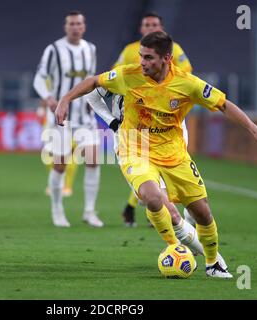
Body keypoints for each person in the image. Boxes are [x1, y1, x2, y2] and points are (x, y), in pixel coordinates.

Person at [55, 31, 257, 278]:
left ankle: (213, 263)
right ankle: (175, 246)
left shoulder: (187, 83)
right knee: (151, 196)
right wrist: (65, 100)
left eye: (148, 58)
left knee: (202, 213)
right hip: (135, 148)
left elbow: (223, 104)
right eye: (141, 56)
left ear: (166, 58)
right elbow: (94, 82)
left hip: (173, 153)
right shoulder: (129, 74)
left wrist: (254, 129)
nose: (143, 62)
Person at [105, 12, 195, 228]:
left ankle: (162, 212)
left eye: (155, 24)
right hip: (139, 121)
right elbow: (112, 76)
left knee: (167, 169)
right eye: (147, 24)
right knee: (146, 169)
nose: (151, 27)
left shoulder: (175, 49)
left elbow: (188, 76)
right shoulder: (130, 52)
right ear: (141, 28)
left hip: (168, 121)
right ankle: (166, 216)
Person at [33, 10, 103, 228]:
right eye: (71, 23)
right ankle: (57, 209)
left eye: (79, 23)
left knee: (93, 159)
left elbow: (91, 83)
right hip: (61, 117)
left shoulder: (90, 49)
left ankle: (90, 211)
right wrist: (48, 98)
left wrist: (96, 106)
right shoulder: (54, 50)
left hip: (85, 116)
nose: (75, 27)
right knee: (60, 165)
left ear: (84, 26)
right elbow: (39, 78)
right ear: (66, 27)